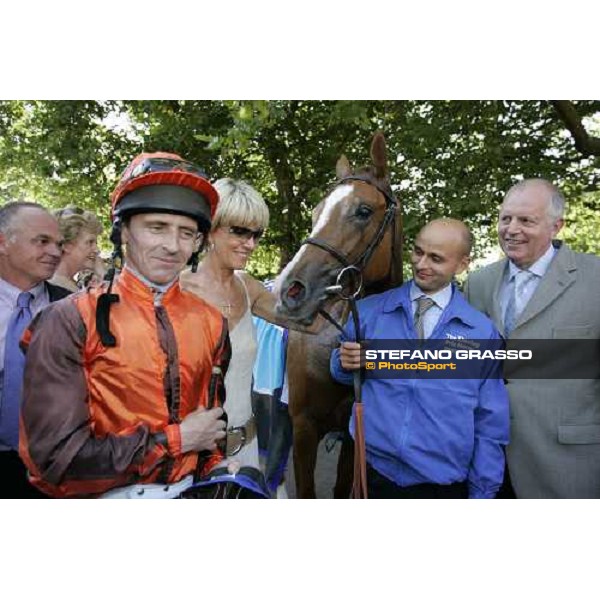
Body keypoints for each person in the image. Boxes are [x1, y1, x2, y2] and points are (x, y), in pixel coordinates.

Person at [18, 152, 231, 499]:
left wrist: (217, 467)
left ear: (197, 243)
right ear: (124, 231)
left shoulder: (211, 321)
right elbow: (55, 458)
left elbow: (209, 426)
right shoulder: (68, 318)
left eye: (187, 233)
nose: (172, 246)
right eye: (156, 227)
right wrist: (175, 440)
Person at [330, 218, 510, 499]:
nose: (421, 264)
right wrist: (343, 362)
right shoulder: (369, 312)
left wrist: (483, 491)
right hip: (374, 474)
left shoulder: (481, 331)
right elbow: (343, 372)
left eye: (436, 258)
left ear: (462, 264)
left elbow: (490, 421)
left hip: (443, 485)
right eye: (417, 251)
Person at [464, 178, 600, 498]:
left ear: (556, 226)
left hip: (568, 465)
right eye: (505, 218)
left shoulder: (595, 280)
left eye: (526, 220)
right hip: (487, 462)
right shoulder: (478, 284)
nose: (511, 229)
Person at [180, 178, 275, 471]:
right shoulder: (177, 289)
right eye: (239, 231)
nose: (251, 244)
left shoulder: (250, 288)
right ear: (211, 228)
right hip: (192, 456)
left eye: (257, 234)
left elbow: (309, 320)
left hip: (246, 448)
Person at [0, 202, 70, 498]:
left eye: (59, 244)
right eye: (42, 241)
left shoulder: (74, 307)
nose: (55, 252)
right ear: (3, 242)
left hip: (55, 468)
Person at [49, 206, 103, 292]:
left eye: (95, 243)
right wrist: (103, 277)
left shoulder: (66, 285)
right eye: (90, 242)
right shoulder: (56, 290)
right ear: (66, 245)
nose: (97, 250)